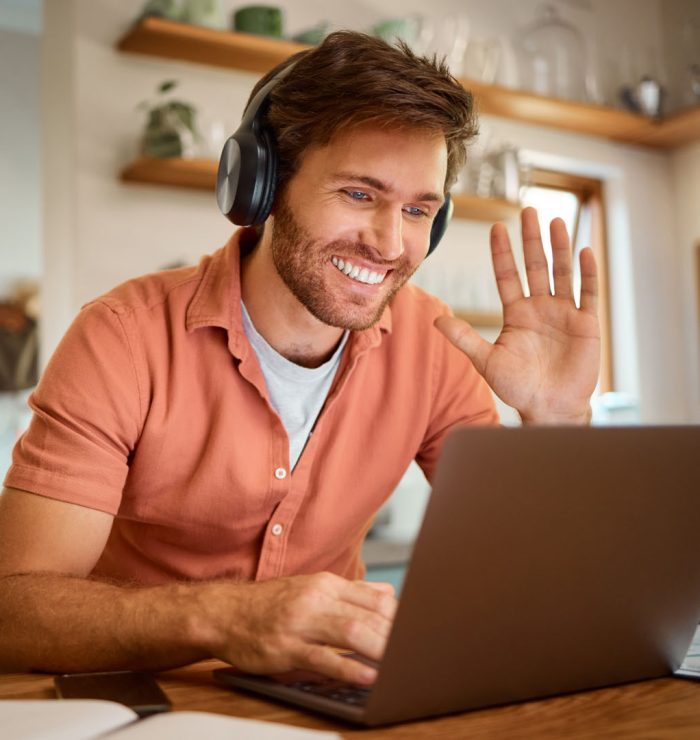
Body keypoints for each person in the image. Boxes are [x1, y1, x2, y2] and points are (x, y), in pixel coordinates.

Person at [0, 31, 599, 684]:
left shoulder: (435, 341)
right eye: (359, 195)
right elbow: (15, 608)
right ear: (261, 185)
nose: (390, 243)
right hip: (149, 706)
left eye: (418, 209)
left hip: (330, 703)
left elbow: (533, 575)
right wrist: (226, 618)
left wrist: (557, 426)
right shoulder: (121, 337)